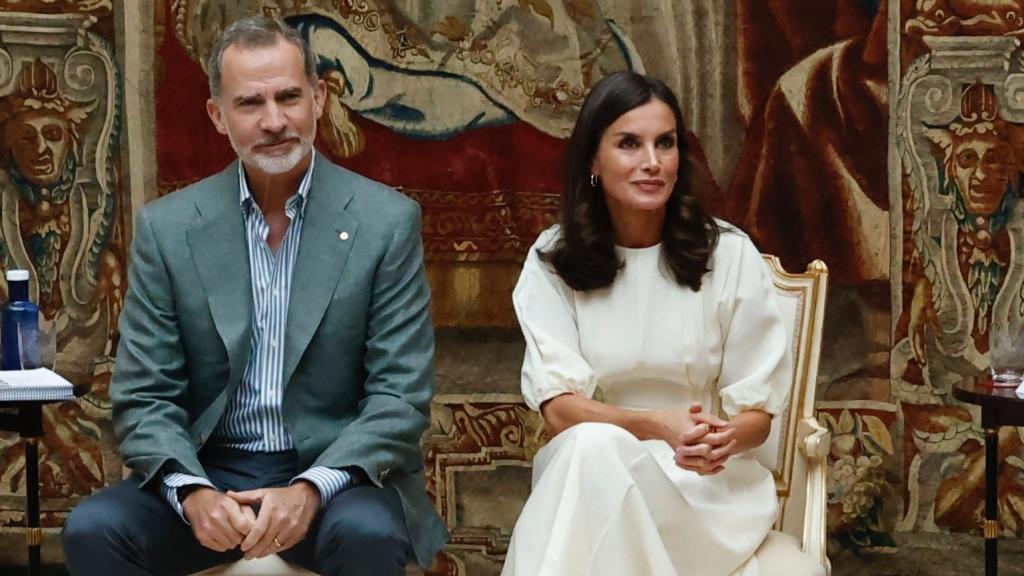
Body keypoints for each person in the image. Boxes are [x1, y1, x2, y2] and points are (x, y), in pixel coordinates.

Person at [61, 16, 446, 576]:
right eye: (250, 103)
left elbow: (400, 397)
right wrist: (193, 493)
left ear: (318, 99)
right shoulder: (169, 230)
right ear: (218, 115)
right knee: (94, 530)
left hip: (334, 476)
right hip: (209, 467)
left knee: (368, 534)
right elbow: (144, 395)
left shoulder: (384, 222)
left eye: (289, 97)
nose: (274, 121)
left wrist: (311, 490)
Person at [501, 71, 823, 576]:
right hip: (588, 482)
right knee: (589, 449)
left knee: (588, 458)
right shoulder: (551, 260)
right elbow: (559, 412)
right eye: (629, 144)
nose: (651, 162)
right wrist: (656, 427)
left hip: (707, 496)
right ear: (593, 160)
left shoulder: (729, 255)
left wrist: (722, 439)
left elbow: (758, 417)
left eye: (665, 143)